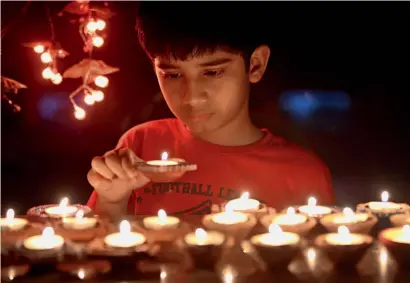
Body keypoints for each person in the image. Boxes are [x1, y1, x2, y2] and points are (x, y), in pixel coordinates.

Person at [86, 2, 335, 219]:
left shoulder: (302, 173)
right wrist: (112, 201)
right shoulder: (139, 146)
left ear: (255, 65)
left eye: (213, 72)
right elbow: (97, 257)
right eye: (172, 74)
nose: (192, 96)